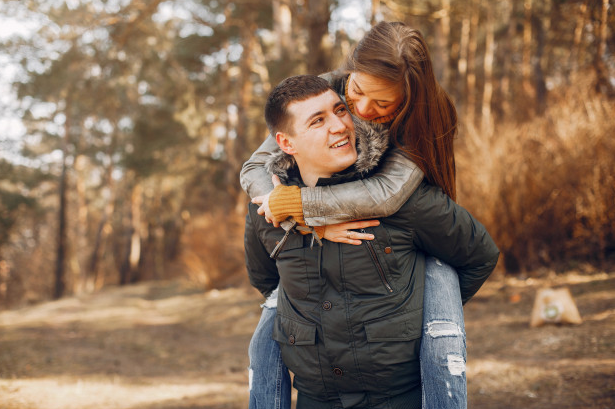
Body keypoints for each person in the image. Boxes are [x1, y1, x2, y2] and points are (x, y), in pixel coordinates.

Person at [242, 22, 471, 409]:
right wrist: (297, 217)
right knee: (269, 332)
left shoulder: (428, 114)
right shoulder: (325, 89)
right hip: (328, 239)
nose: (363, 110)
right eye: (357, 94)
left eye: (383, 105)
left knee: (441, 341)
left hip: (416, 233)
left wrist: (303, 207)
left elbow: (387, 194)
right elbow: (255, 169)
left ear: (409, 101)